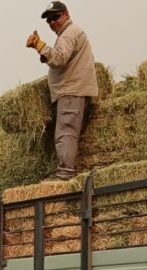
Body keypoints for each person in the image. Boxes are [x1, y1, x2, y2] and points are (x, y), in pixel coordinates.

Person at [26, 2, 98, 180]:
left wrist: (40, 46)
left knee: (65, 132)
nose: (52, 22)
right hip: (74, 91)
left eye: (55, 17)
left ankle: (65, 175)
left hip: (71, 92)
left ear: (66, 14)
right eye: (49, 20)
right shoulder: (69, 34)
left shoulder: (69, 33)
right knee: (68, 133)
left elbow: (59, 58)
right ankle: (68, 171)